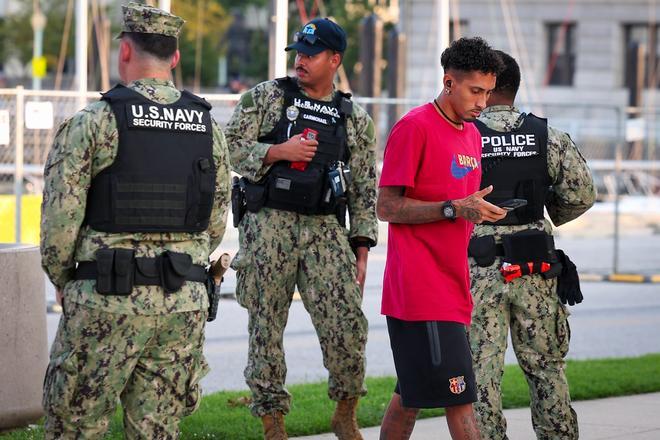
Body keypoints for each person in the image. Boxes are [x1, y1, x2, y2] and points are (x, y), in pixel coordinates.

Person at [39, 3, 231, 438]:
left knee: (75, 424)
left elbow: (59, 223)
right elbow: (214, 221)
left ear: (124, 51)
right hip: (182, 301)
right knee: (157, 428)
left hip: (106, 298)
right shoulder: (207, 128)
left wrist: (64, 277)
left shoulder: (94, 122)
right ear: (175, 58)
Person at [224, 17, 378, 440]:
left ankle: (346, 410)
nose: (302, 62)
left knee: (347, 326)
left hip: (326, 232)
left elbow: (364, 186)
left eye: (311, 55)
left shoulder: (354, 118)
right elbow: (229, 149)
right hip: (268, 226)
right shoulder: (267, 98)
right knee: (266, 328)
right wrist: (277, 151)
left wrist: (361, 247)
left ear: (335, 60)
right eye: (299, 54)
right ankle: (272, 422)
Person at [376, 37, 506, 440]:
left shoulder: (471, 134)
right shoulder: (414, 127)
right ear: (449, 82)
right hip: (420, 292)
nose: (484, 102)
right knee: (462, 402)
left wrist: (477, 211)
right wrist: (452, 208)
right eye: (475, 91)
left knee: (409, 400)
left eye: (488, 92)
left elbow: (462, 204)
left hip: (453, 286)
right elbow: (386, 207)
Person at [468, 50, 596, 440]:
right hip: (535, 265)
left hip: (478, 269)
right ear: (515, 88)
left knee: (481, 373)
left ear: (486, 87)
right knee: (547, 368)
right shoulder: (548, 136)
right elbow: (582, 194)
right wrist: (545, 212)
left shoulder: (463, 135)